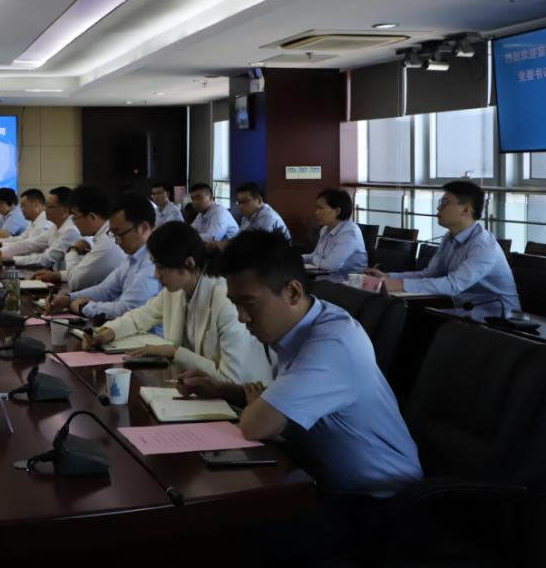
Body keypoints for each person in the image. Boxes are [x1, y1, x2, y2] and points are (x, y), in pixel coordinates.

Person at [177, 230, 422, 563]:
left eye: (249, 303)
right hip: (318, 478)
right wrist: (223, 390)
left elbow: (256, 424)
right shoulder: (294, 327)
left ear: (292, 291)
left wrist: (258, 407)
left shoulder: (332, 342)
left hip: (377, 502)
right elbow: (271, 403)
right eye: (235, 304)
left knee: (232, 533)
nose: (242, 318)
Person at [83, 222, 272, 383]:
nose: (156, 275)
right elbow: (139, 317)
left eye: (161, 267)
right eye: (154, 265)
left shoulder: (226, 301)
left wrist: (174, 352)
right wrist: (107, 333)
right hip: (197, 390)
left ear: (189, 263)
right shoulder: (175, 291)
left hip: (242, 400)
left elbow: (231, 380)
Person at [366, 180, 520, 312]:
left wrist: (398, 285)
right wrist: (388, 277)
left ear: (466, 209)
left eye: (444, 203)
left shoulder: (484, 246)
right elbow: (430, 274)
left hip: (499, 318)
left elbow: (452, 285)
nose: (438, 208)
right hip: (465, 312)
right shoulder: (449, 238)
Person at [48, 194, 160, 320]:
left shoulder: (153, 263)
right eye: (113, 234)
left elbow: (127, 309)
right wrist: (69, 298)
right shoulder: (133, 257)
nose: (116, 241)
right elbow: (106, 289)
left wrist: (84, 307)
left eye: (120, 234)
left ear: (144, 228)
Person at [33, 185, 125, 291]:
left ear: (91, 217)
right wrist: (58, 275)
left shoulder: (107, 242)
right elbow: (87, 272)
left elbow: (76, 282)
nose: (73, 222)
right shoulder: (103, 236)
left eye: (75, 217)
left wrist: (72, 250)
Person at [7, 187, 81, 271]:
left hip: (63, 277)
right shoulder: (55, 226)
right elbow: (32, 244)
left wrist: (11, 259)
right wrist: (2, 253)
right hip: (55, 274)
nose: (45, 209)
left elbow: (46, 259)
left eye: (49, 206)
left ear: (65, 210)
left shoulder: (70, 231)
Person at [302, 189, 368, 280]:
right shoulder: (325, 229)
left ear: (337, 211)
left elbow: (330, 266)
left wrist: (314, 259)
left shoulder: (350, 232)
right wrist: (295, 259)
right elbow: (315, 255)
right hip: (327, 279)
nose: (316, 212)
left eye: (321, 208)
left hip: (348, 283)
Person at [0, 188, 53, 262]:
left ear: (35, 204)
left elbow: (29, 248)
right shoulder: (33, 221)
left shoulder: (44, 223)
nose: (21, 209)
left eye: (23, 205)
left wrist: (5, 255)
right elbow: (21, 239)